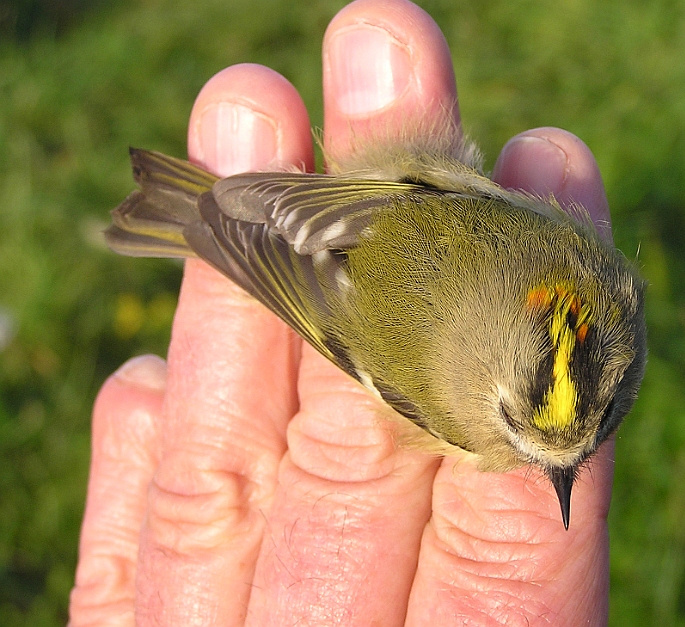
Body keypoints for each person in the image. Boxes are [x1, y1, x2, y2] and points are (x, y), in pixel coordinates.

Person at [69, 0, 614, 624]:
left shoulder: (594, 281)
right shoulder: (466, 414)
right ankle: (196, 219)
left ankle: (195, 214)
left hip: (374, 209)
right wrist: (245, 240)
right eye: (520, 434)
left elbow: (413, 199)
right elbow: (332, 318)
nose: (552, 471)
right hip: (349, 301)